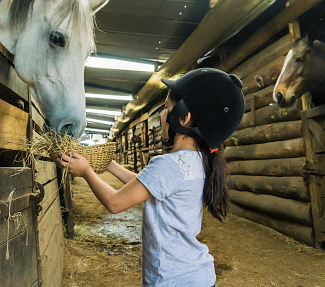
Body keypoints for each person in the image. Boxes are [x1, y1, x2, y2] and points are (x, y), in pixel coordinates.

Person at [56, 68, 245, 286]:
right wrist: (109, 164)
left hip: (171, 280)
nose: (162, 115)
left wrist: (86, 172)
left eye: (166, 109)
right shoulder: (199, 161)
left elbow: (115, 203)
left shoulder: (168, 165)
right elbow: (148, 183)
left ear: (184, 117)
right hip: (197, 276)